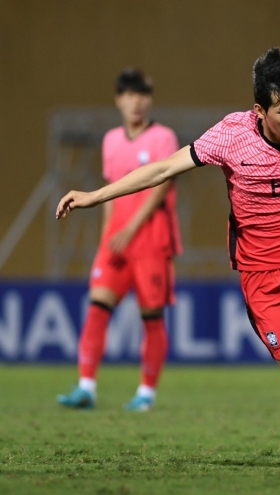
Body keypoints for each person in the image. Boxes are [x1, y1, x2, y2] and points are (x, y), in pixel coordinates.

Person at [56, 48, 280, 470]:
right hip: (260, 272)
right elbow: (163, 169)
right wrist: (94, 196)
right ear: (259, 109)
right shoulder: (231, 134)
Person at [57, 68, 181, 412]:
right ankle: (86, 387)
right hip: (115, 243)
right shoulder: (111, 140)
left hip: (151, 239)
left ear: (149, 99)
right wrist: (106, 237)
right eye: (129, 95)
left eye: (142, 95)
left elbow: (162, 186)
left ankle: (146, 393)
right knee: (97, 307)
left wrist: (132, 228)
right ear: (118, 100)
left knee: (151, 317)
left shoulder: (163, 138)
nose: (136, 101)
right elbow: (109, 193)